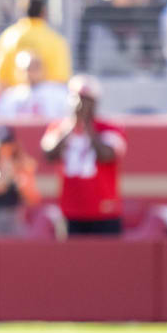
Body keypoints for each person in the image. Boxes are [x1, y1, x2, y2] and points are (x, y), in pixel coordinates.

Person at [40, 75, 127, 236]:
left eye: (87, 100)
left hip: (104, 211)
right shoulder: (59, 128)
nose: (81, 104)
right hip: (71, 211)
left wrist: (88, 126)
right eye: (78, 98)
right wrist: (72, 125)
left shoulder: (109, 128)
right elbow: (49, 154)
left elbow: (106, 155)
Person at [0, 0, 71, 94]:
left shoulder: (9, 37)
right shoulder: (56, 40)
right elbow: (61, 79)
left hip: (14, 102)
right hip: (46, 103)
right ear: (44, 12)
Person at [0, 51, 69, 119]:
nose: (30, 73)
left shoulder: (58, 93)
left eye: (34, 68)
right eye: (26, 69)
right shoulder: (9, 97)